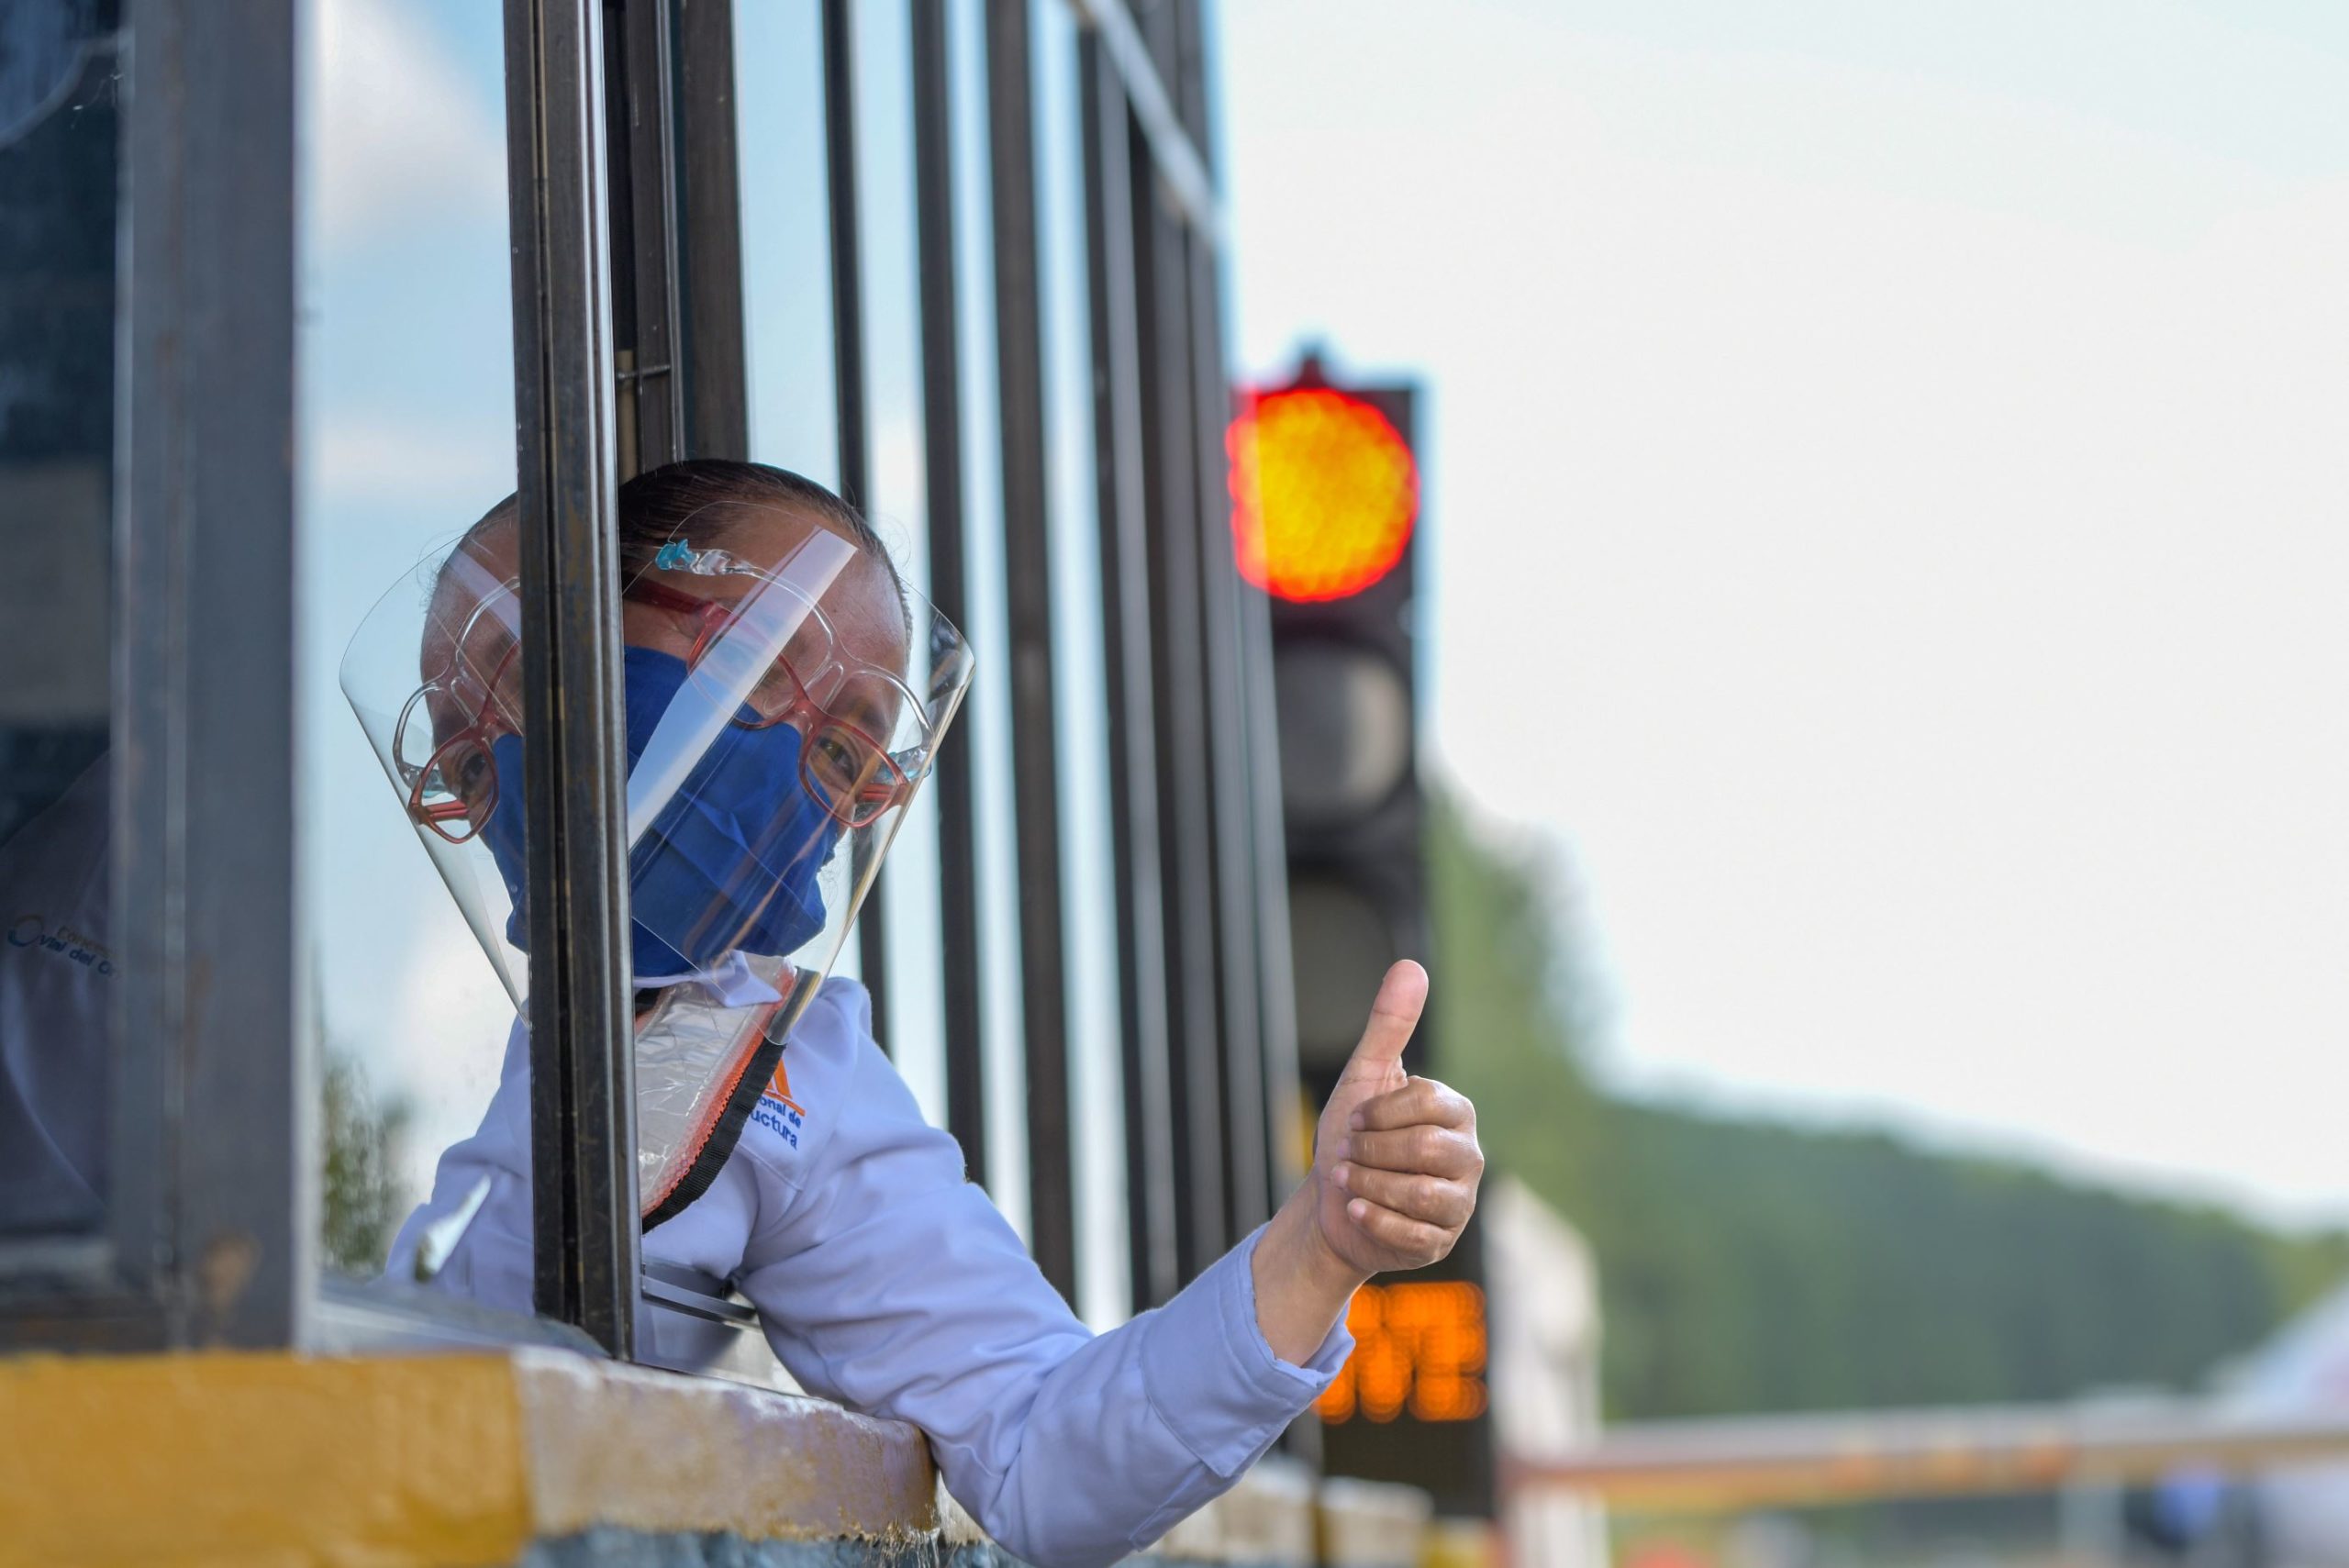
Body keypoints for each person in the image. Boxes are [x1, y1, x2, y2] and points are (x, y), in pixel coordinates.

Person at [357, 459, 1485, 1568]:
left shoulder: (775, 1070)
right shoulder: (280, 953)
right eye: (754, 665)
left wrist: (1319, 1245)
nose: (804, 776)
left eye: (846, 753)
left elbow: (1044, 1451)